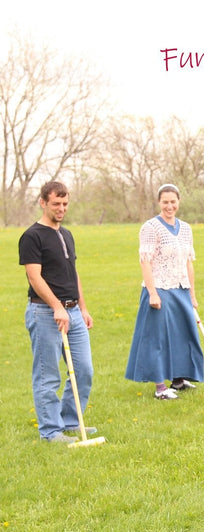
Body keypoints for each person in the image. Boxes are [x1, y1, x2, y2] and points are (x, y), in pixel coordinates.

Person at [19, 181, 97, 443]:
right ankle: (50, 431)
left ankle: (71, 422)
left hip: (73, 313)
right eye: (56, 204)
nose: (61, 209)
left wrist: (82, 307)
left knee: (84, 370)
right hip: (45, 314)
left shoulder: (67, 235)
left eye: (65, 204)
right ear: (43, 202)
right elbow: (34, 276)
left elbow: (72, 274)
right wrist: (56, 307)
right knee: (47, 374)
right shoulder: (32, 236)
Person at [125, 184, 204, 399]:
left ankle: (178, 380)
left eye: (173, 201)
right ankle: (160, 387)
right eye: (165, 202)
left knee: (182, 333)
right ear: (159, 203)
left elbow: (188, 263)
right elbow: (145, 262)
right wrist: (152, 292)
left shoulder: (186, 228)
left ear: (179, 202)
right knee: (157, 338)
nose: (169, 206)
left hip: (180, 288)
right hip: (159, 288)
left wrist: (192, 294)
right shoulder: (150, 227)